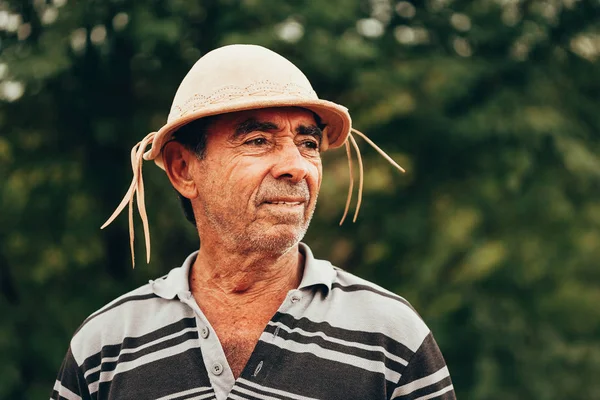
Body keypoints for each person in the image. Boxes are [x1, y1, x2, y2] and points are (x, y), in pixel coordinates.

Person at [51, 44, 456, 400]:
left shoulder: (392, 337)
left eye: (308, 144)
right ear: (182, 169)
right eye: (258, 141)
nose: (296, 168)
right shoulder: (105, 346)